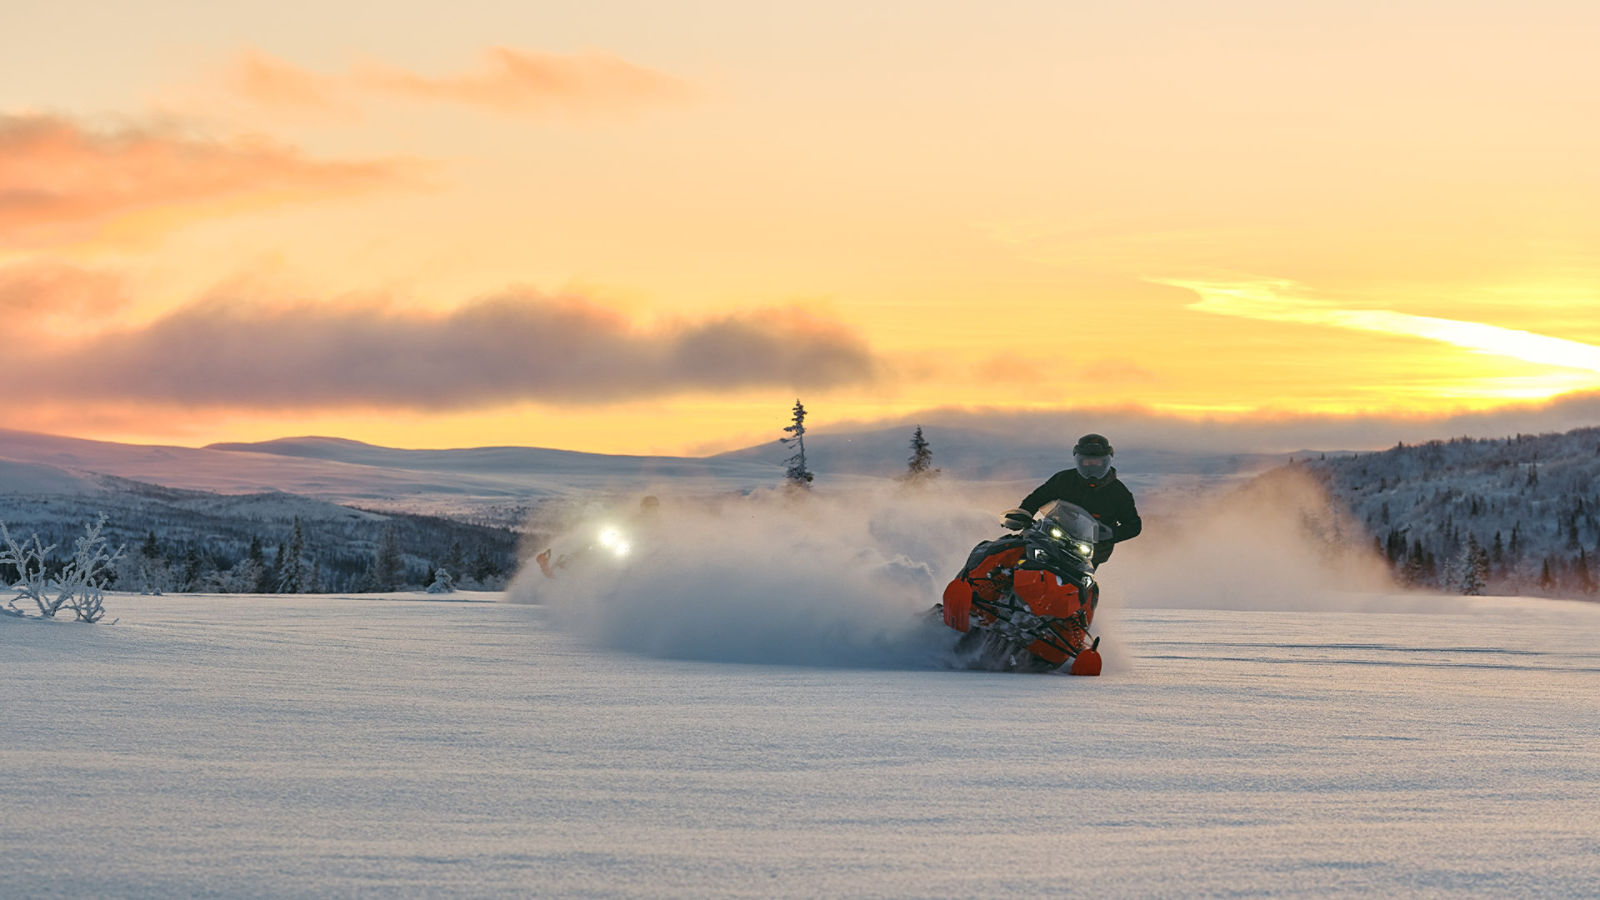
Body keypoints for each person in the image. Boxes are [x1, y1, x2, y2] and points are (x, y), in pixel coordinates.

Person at [1002, 433, 1141, 565]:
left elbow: (1134, 525)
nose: (1091, 466)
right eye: (1087, 462)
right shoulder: (1064, 479)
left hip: (1089, 550)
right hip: (1053, 536)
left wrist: (1107, 534)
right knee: (1014, 552)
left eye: (1097, 462)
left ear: (1106, 461)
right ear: (1078, 460)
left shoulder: (1119, 493)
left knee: (1076, 584)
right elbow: (1038, 497)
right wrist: (1023, 513)